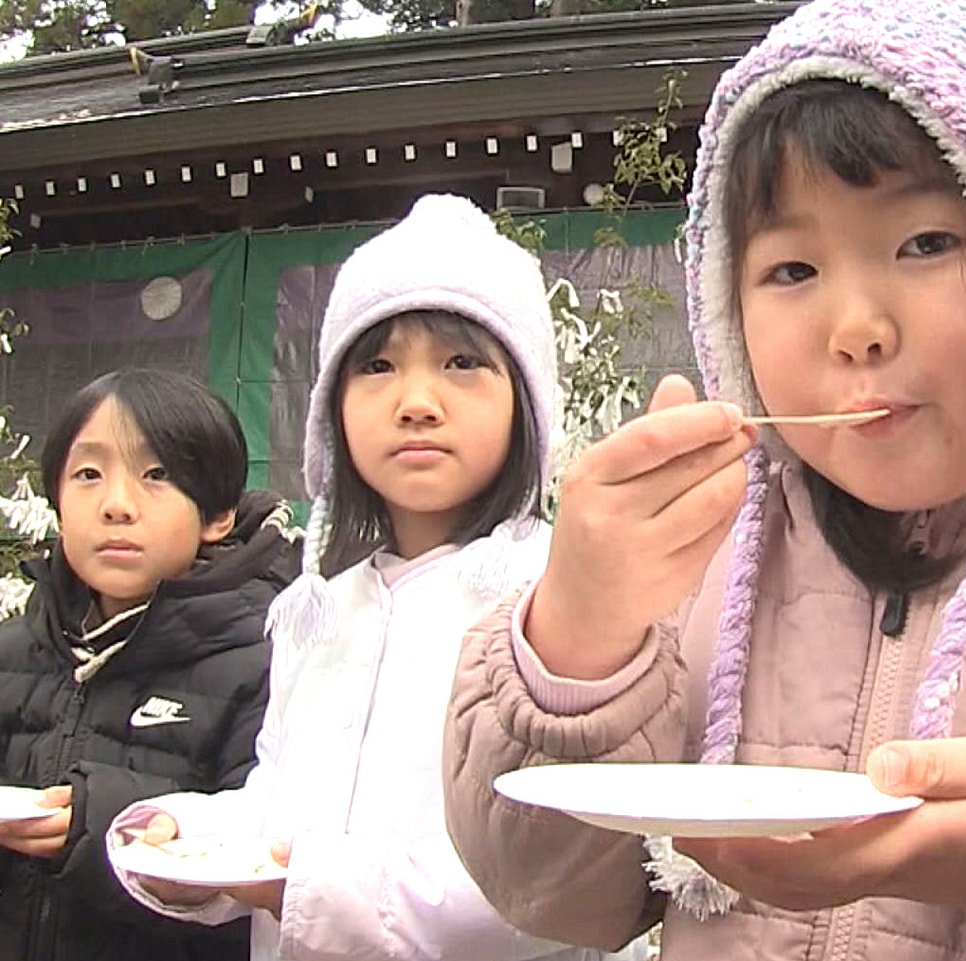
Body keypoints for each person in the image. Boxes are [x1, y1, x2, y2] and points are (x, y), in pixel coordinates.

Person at [441, 1, 966, 958]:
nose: (855, 328)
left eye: (925, 244)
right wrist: (579, 635)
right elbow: (549, 892)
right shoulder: (704, 553)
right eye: (792, 267)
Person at [109, 194, 644, 961]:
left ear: (527, 405)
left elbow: (556, 876)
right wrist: (189, 838)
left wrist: (308, 889)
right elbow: (279, 801)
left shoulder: (559, 599)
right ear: (333, 409)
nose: (416, 402)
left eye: (462, 363)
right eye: (377, 365)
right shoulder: (319, 607)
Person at [0, 368, 297, 961]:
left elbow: (261, 857)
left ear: (217, 515)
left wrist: (99, 823)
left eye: (157, 475)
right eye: (88, 474)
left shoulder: (266, 659)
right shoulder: (12, 652)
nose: (116, 505)